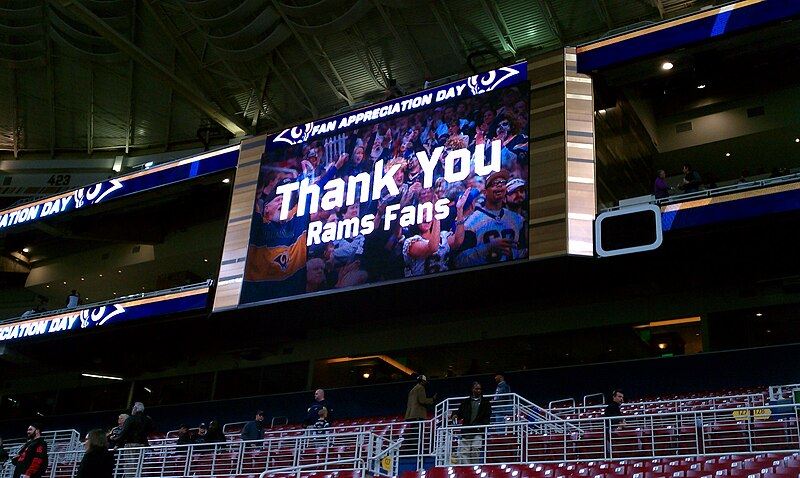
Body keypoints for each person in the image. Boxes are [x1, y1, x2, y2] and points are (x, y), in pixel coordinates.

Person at [454, 170, 527, 268]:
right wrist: (487, 248)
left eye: (502, 183)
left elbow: (526, 252)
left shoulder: (518, 220)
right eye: (494, 184)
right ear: (484, 193)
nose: (500, 185)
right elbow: (459, 261)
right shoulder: (471, 222)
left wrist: (512, 255)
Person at [453, 382, 492, 464]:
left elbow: (487, 416)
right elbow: (459, 412)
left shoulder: (486, 403)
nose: (479, 391)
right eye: (477, 389)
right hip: (466, 431)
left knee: (475, 450)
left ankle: (474, 468)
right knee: (464, 452)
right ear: (472, 389)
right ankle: (467, 470)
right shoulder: (466, 402)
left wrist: (483, 427)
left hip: (478, 431)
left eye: (480, 389)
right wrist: (455, 415)